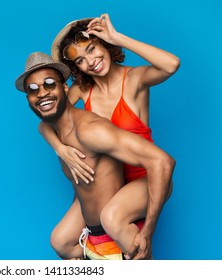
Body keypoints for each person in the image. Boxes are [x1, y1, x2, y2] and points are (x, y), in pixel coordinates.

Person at [38, 14, 180, 259]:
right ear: (75, 68)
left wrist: (118, 37)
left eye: (92, 49)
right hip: (108, 184)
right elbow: (46, 123)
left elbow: (171, 64)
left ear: (105, 44)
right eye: (80, 60)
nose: (91, 62)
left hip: (144, 178)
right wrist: (60, 149)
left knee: (111, 219)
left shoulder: (134, 79)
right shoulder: (82, 89)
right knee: (61, 241)